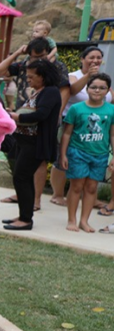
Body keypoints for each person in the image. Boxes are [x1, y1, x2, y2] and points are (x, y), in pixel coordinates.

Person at [0, 37, 72, 210]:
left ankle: (35, 200)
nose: (38, 59)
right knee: (20, 166)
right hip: (23, 121)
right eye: (34, 56)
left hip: (38, 124)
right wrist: (16, 53)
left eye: (41, 56)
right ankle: (23, 197)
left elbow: (64, 91)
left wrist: (54, 116)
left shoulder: (55, 70)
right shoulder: (24, 65)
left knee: (37, 163)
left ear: (49, 52)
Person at [3, 59, 63, 231]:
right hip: (25, 141)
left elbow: (41, 115)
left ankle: (26, 219)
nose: (28, 80)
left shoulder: (51, 92)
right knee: (24, 178)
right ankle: (24, 215)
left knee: (21, 177)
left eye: (31, 77)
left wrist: (16, 117)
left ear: (43, 76)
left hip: (35, 143)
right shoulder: (40, 91)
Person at [60, 73, 114, 233]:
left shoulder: (111, 110)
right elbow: (67, 133)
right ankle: (72, 219)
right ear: (87, 88)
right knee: (76, 186)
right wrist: (63, 154)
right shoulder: (76, 109)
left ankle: (84, 221)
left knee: (91, 187)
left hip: (100, 154)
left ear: (108, 91)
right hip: (78, 152)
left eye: (102, 88)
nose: (97, 90)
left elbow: (112, 134)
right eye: (94, 87)